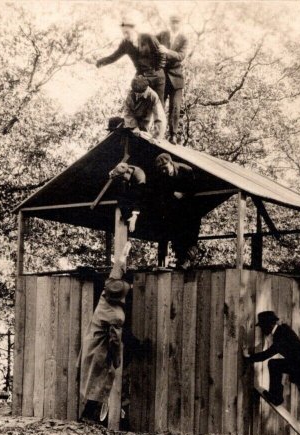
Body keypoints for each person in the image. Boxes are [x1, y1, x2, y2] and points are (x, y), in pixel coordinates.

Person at [79, 242, 133, 424]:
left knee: (92, 381)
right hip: (100, 350)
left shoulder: (105, 296)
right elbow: (115, 340)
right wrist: (118, 360)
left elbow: (116, 271)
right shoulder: (116, 315)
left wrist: (124, 253)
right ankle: (88, 417)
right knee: (99, 381)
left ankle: (89, 416)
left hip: (91, 343)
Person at [96, 15, 166, 103]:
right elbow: (113, 57)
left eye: (127, 32)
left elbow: (161, 53)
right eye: (123, 33)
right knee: (135, 104)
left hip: (157, 77)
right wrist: (97, 63)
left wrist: (157, 69)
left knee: (158, 107)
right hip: (141, 77)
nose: (125, 35)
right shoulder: (125, 44)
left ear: (133, 29)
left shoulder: (148, 37)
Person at [154, 153, 201, 269]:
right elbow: (161, 192)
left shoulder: (185, 170)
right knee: (175, 236)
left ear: (170, 162)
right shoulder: (161, 175)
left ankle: (189, 260)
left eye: (165, 168)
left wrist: (184, 194)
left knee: (189, 237)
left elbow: (195, 187)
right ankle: (181, 261)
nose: (163, 171)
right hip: (174, 210)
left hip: (190, 209)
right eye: (161, 169)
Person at [156, 15, 189, 143]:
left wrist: (166, 51)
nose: (175, 25)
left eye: (177, 22)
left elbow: (181, 56)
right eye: (173, 22)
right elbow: (153, 46)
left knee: (175, 107)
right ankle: (158, 132)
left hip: (176, 78)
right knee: (159, 105)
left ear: (181, 24)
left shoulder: (184, 39)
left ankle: (173, 135)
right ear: (170, 23)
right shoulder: (162, 35)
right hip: (162, 76)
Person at [109, 161, 147, 233]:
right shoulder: (122, 168)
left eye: (123, 176)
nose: (123, 178)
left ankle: (133, 217)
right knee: (120, 195)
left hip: (139, 187)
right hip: (130, 184)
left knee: (135, 196)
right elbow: (114, 172)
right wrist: (112, 174)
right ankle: (126, 216)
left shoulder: (140, 176)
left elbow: (138, 198)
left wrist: (134, 215)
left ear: (128, 172)